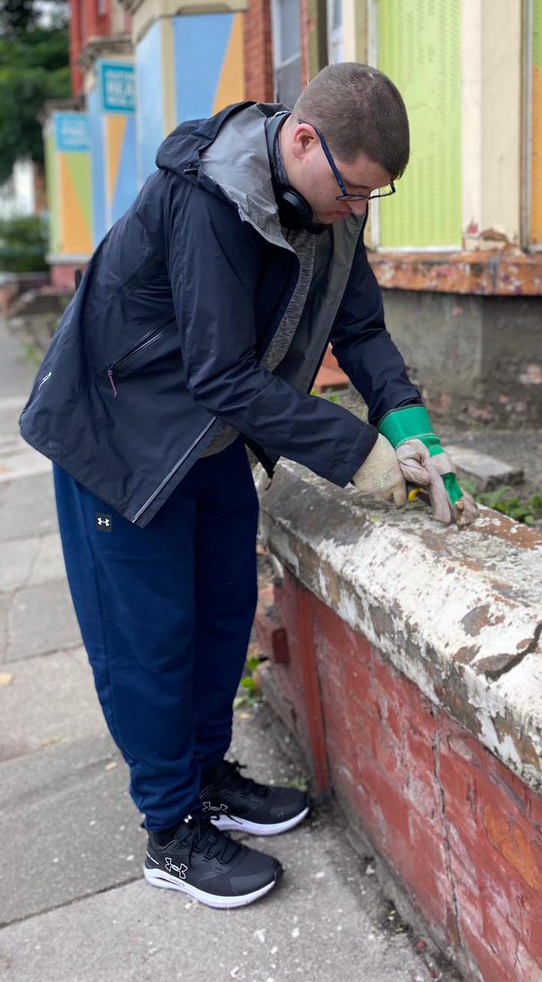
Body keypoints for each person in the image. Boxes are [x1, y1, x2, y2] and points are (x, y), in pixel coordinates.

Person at [19, 62, 476, 909]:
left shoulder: (331, 201)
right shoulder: (210, 199)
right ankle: (170, 828)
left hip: (206, 437)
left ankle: (205, 776)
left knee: (224, 613)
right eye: (353, 191)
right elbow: (222, 372)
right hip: (120, 438)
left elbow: (361, 323)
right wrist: (361, 454)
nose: (359, 211)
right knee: (152, 640)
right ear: (303, 140)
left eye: (375, 197)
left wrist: (412, 428)